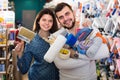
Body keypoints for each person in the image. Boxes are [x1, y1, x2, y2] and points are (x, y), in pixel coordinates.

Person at [53, 2, 99, 80]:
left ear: (73, 12)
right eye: (61, 17)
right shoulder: (56, 37)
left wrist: (73, 54)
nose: (65, 19)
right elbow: (60, 64)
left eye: (67, 13)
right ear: (58, 21)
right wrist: (89, 57)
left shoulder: (88, 29)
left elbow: (104, 52)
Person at [14, 8, 59, 80]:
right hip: (36, 77)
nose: (47, 23)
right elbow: (24, 69)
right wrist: (19, 54)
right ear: (38, 21)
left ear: (53, 23)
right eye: (44, 20)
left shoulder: (57, 38)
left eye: (50, 21)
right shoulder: (31, 40)